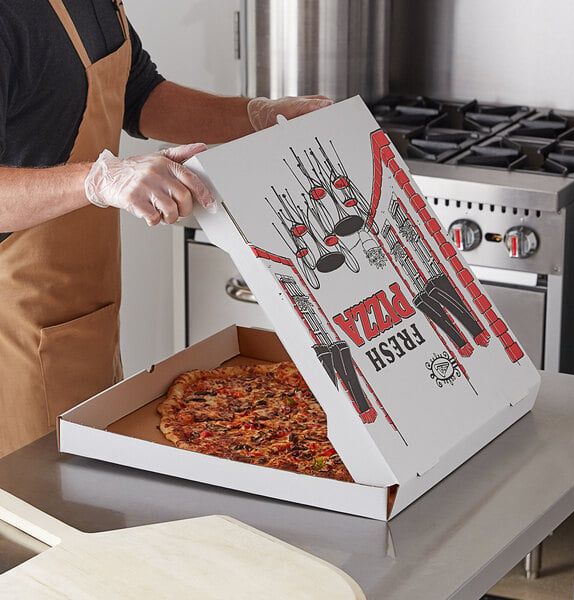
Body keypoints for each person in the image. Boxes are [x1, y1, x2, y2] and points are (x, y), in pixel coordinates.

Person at [0, 0, 332, 457]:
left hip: (80, 314)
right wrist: (96, 180)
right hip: (12, 325)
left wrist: (256, 116)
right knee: (33, 513)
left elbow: (139, 96)